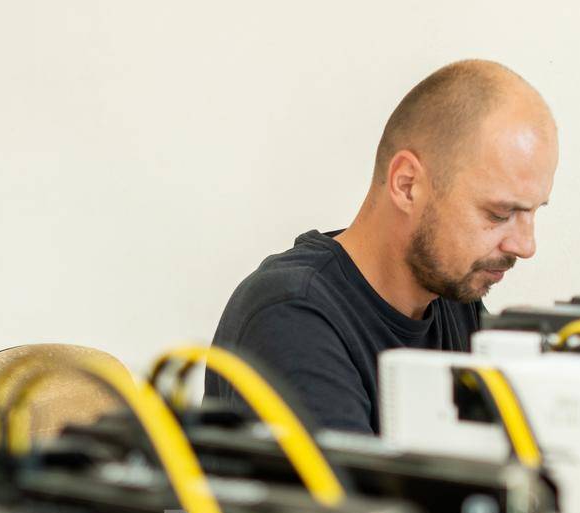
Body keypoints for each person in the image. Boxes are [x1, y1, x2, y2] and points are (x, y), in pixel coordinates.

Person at [208, 60, 559, 435]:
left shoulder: (455, 297)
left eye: (533, 212)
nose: (525, 246)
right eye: (500, 213)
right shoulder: (291, 316)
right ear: (407, 185)